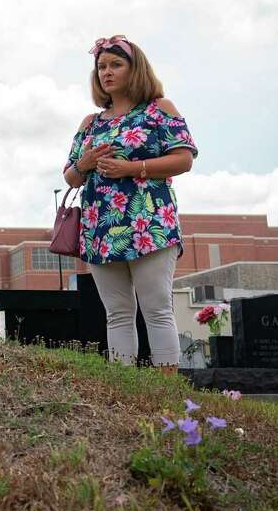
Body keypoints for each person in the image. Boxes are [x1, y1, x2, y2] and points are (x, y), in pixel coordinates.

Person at [63, 35, 197, 371]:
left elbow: (184, 159)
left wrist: (132, 168)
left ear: (135, 69)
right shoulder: (90, 123)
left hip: (149, 223)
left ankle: (165, 394)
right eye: (101, 66)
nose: (106, 72)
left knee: (157, 308)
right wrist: (87, 162)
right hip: (101, 228)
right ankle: (127, 393)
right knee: (118, 314)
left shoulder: (159, 109)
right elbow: (70, 177)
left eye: (115, 65)